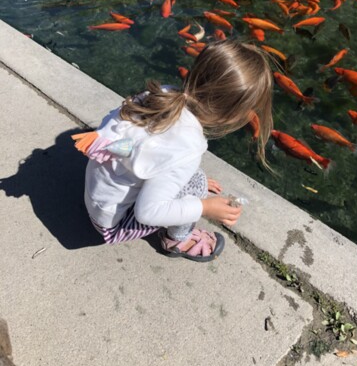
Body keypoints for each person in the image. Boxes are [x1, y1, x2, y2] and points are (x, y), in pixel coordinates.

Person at [73, 40, 273, 262]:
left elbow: (148, 148)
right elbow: (147, 212)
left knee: (193, 178)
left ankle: (188, 192)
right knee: (195, 189)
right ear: (233, 114)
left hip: (98, 197)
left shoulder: (163, 95)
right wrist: (204, 207)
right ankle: (177, 240)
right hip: (112, 225)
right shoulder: (189, 147)